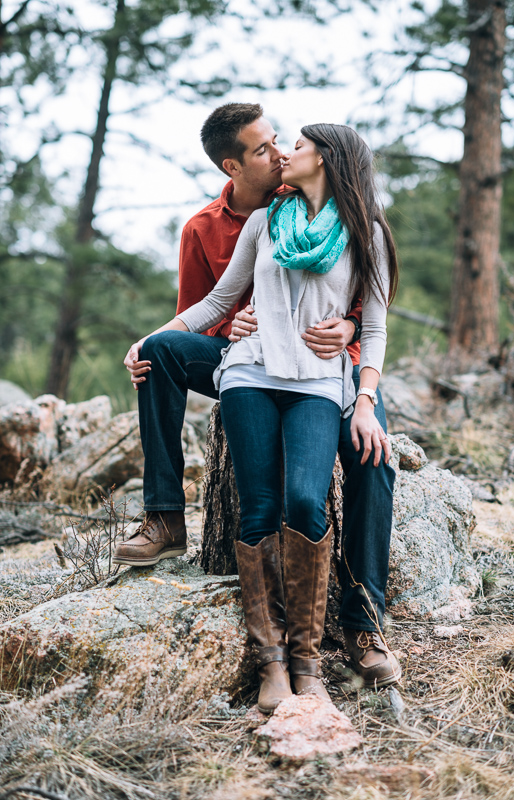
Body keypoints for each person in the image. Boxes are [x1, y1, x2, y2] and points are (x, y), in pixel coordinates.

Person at [114, 104, 400, 701]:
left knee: (367, 461)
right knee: (256, 500)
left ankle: (360, 624)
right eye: (267, 147)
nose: (280, 153)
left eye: (286, 144)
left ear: (324, 159)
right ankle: (167, 519)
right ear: (234, 164)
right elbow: (214, 304)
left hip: (331, 373)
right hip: (249, 367)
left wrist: (360, 373)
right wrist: (152, 339)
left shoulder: (362, 227)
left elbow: (370, 320)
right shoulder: (248, 222)